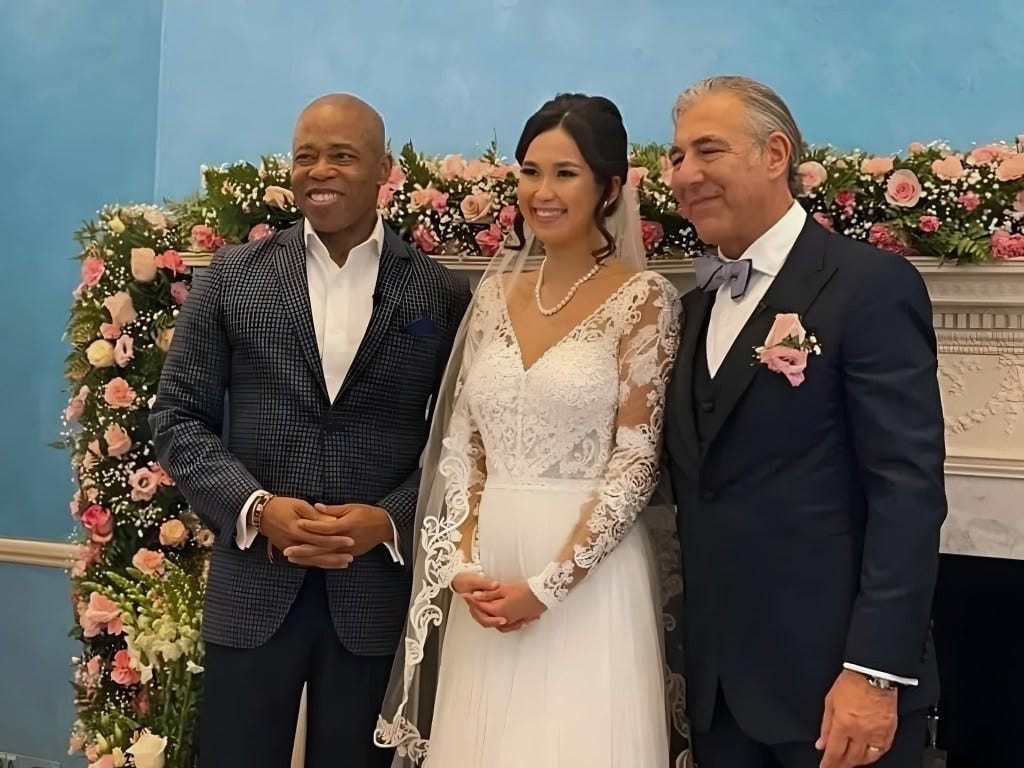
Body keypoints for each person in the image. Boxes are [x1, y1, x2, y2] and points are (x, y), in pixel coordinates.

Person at [150, 93, 471, 768]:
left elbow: (459, 447)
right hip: (254, 586)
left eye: (342, 155)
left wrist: (387, 522)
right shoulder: (232, 279)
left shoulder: (438, 294)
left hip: (375, 596)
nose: (319, 170)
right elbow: (178, 418)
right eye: (305, 155)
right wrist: (256, 508)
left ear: (384, 168)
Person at [376, 94, 688, 767]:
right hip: (486, 582)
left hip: (587, 583)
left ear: (610, 187)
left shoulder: (645, 300)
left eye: (564, 173)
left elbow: (637, 464)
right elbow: (461, 448)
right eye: (529, 171)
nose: (541, 192)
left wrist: (548, 585)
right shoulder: (491, 296)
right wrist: (459, 563)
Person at [662, 76, 947, 768]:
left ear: (775, 153)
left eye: (707, 151)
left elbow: (907, 494)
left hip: (836, 695)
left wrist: (875, 672)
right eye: (675, 158)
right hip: (721, 696)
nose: (685, 175)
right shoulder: (693, 307)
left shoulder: (869, 285)